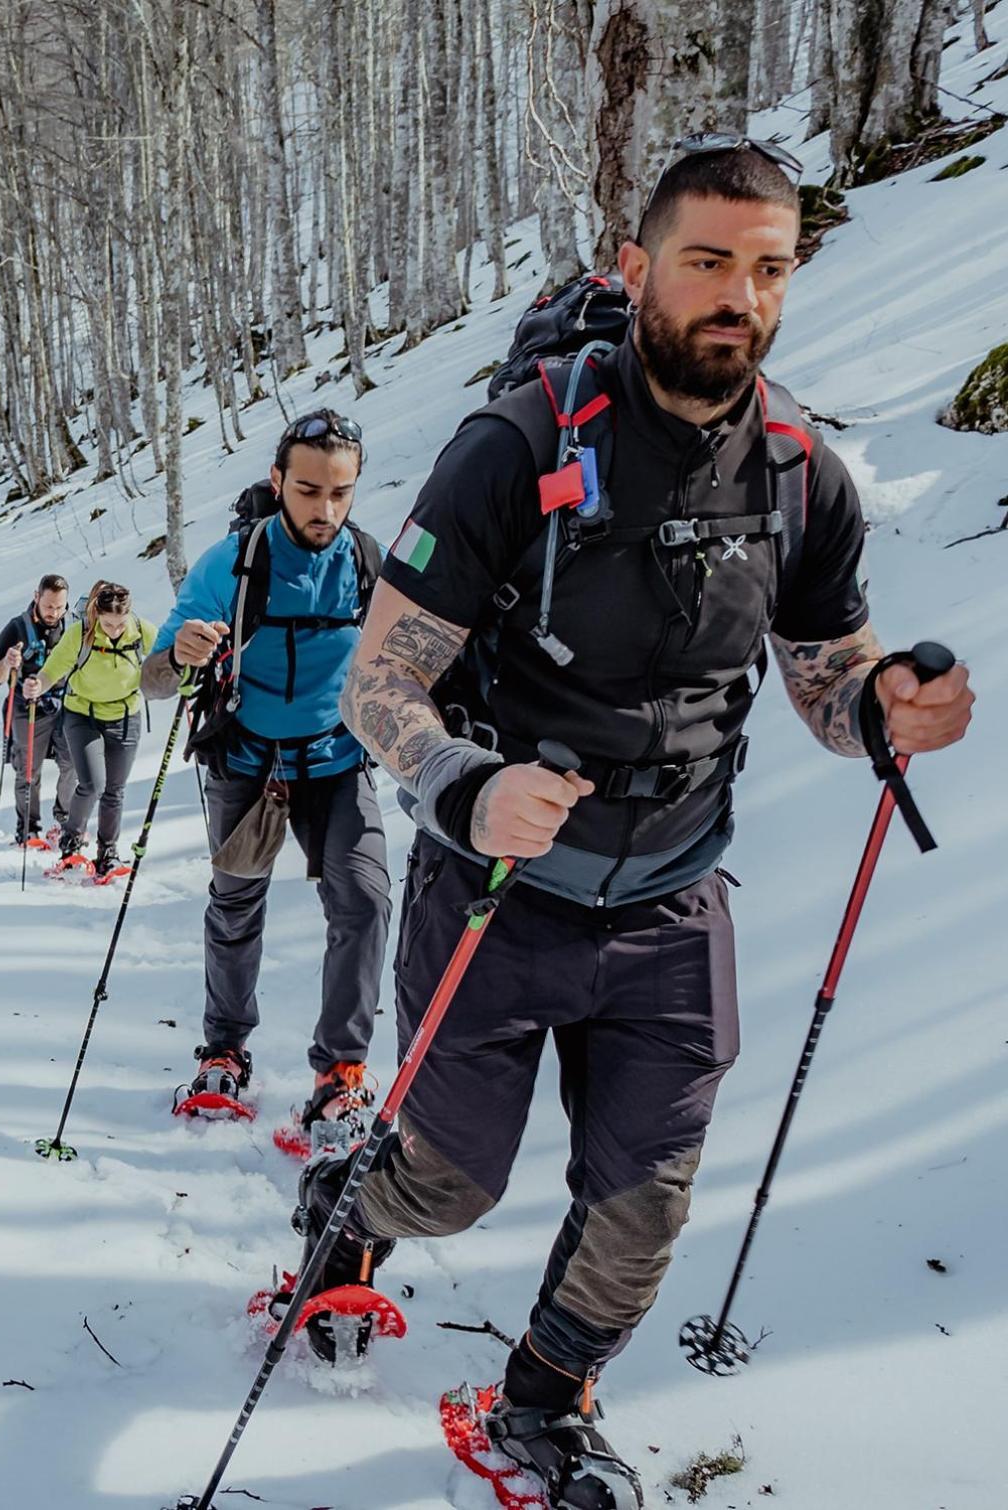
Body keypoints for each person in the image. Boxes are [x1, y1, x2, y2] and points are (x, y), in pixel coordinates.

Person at [312, 139, 974, 1507]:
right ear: (638, 268)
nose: (741, 293)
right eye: (709, 260)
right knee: (449, 1186)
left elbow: (825, 673)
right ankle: (347, 1210)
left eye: (770, 266)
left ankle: (541, 1405)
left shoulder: (800, 470)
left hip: (674, 899)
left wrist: (883, 712)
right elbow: (375, 683)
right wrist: (467, 783)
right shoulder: (515, 446)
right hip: (495, 892)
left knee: (644, 1205)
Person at [141, 411, 392, 1139]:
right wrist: (183, 654)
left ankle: (339, 1073)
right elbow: (155, 680)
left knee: (366, 899)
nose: (324, 509)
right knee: (236, 904)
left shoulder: (369, 563)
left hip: (336, 762)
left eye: (340, 493)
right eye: (309, 489)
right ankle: (224, 1051)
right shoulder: (234, 562)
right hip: (246, 764)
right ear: (278, 480)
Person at [24, 581, 157, 879]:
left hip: (125, 715)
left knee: (115, 790)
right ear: (97, 614)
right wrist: (37, 685)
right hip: (82, 714)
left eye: (119, 623)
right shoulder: (80, 634)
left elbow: (165, 655)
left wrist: (185, 666)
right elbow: (52, 671)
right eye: (108, 623)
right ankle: (70, 845)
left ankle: (107, 854)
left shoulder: (141, 630)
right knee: (93, 784)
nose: (114, 630)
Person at [0, 573, 77, 845]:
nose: (54, 613)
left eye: (60, 607)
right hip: (29, 707)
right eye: (49, 606)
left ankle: (65, 822)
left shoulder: (74, 627)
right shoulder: (16, 628)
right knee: (28, 770)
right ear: (36, 597)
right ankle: (28, 827)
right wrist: (7, 661)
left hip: (66, 704)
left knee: (72, 764)